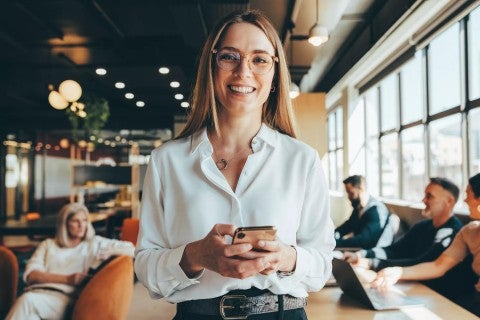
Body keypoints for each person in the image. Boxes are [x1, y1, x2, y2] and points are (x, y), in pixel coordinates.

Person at [134, 9, 335, 320]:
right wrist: (195, 256)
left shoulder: (302, 160)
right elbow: (146, 266)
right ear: (212, 66)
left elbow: (322, 264)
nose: (244, 72)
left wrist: (286, 257)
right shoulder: (166, 161)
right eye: (230, 56)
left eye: (259, 59)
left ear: (274, 73)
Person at [374, 173, 480, 316]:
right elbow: (438, 266)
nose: (465, 200)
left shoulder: (453, 229)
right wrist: (398, 272)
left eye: (469, 195)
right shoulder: (468, 232)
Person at [6, 203, 135, 320]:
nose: (81, 225)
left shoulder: (94, 243)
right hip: (38, 294)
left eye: (84, 220)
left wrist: (111, 251)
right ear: (65, 224)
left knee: (27, 302)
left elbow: (133, 249)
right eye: (76, 221)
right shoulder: (48, 245)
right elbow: (31, 275)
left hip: (65, 300)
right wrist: (68, 279)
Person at [343, 177, 462, 271]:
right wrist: (362, 254)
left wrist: (372, 263)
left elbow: (423, 263)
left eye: (429, 196)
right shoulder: (421, 226)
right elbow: (394, 250)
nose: (423, 200)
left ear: (449, 201)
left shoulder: (453, 232)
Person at [335, 175, 389, 249]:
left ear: (361, 188)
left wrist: (336, 243)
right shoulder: (359, 208)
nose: (348, 197)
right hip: (362, 250)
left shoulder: (375, 210)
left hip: (374, 254)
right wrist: (332, 234)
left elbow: (364, 240)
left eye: (351, 193)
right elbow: (348, 225)